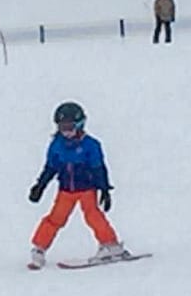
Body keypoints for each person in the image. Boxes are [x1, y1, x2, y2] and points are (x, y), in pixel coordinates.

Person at [26, 102, 129, 269]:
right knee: (55, 219)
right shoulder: (56, 145)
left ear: (80, 124)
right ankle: (39, 249)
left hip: (87, 189)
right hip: (66, 190)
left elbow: (98, 168)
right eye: (62, 127)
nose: (66, 132)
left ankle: (111, 245)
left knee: (93, 215)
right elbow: (50, 167)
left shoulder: (91, 145)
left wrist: (104, 189)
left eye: (70, 127)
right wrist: (40, 186)